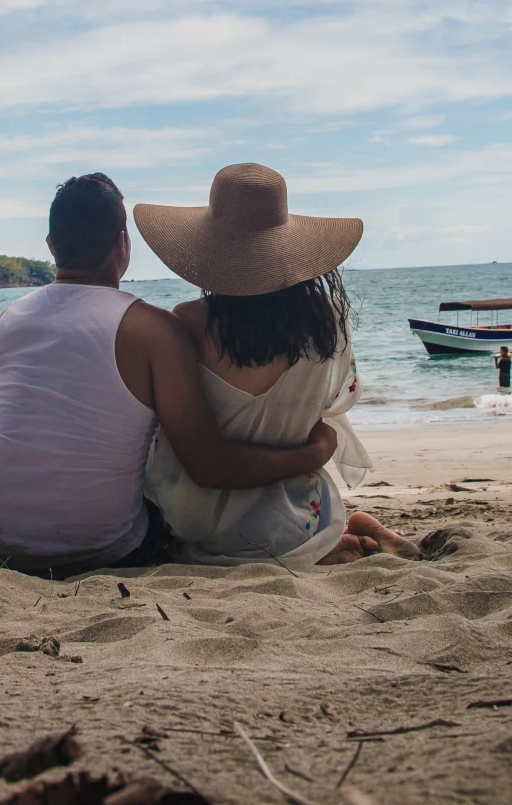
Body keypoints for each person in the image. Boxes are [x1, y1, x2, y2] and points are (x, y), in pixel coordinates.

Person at [0, 173, 338, 579]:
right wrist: (313, 454)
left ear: (50, 246)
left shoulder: (7, 320)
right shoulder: (154, 330)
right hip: (100, 550)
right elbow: (210, 466)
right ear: (122, 244)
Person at [134, 163, 417, 567]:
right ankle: (341, 534)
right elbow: (337, 403)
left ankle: (343, 540)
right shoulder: (329, 320)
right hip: (300, 506)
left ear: (211, 249)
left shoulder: (189, 322)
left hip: (202, 520)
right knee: (284, 529)